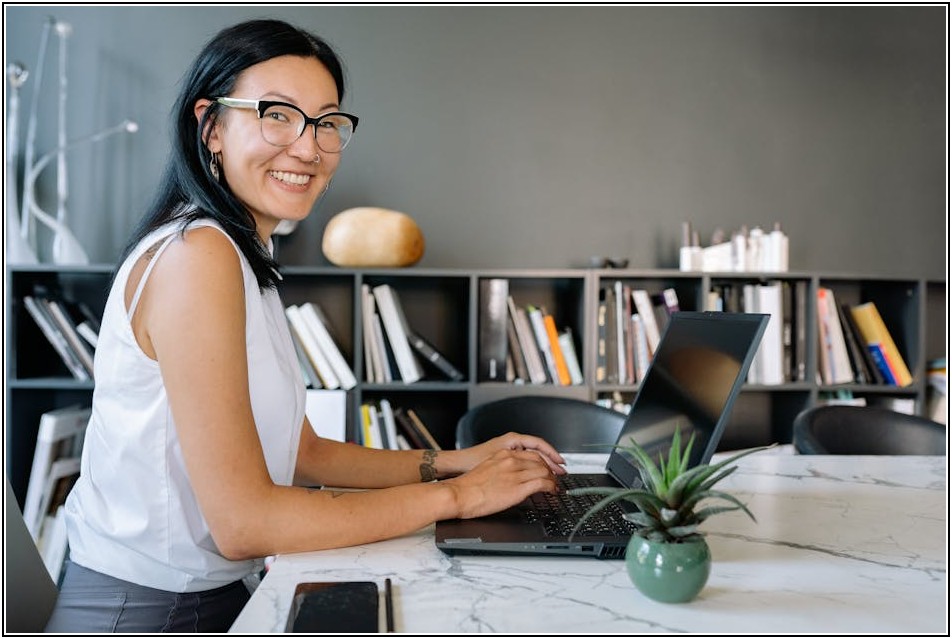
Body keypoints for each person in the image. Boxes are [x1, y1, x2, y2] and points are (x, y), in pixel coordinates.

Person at [45, 18, 565, 633]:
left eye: (326, 122)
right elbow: (245, 523)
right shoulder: (197, 256)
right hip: (147, 612)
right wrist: (462, 496)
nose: (308, 147)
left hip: (206, 595)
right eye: (277, 115)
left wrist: (457, 461)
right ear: (211, 127)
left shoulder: (239, 253)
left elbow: (304, 453)